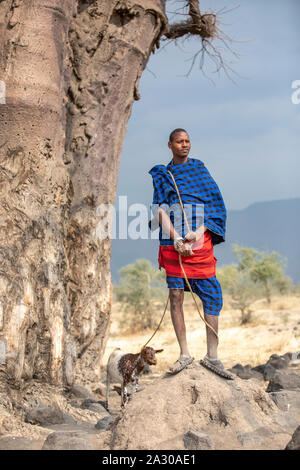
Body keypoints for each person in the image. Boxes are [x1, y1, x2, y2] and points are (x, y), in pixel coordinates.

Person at [149, 128, 227, 375]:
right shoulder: (163, 175)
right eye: (180, 142)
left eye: (188, 141)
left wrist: (198, 233)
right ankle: (184, 354)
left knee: (212, 295)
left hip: (200, 243)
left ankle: (212, 357)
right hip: (174, 245)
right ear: (170, 144)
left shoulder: (199, 169)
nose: (185, 145)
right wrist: (176, 239)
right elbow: (160, 210)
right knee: (175, 296)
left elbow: (215, 206)